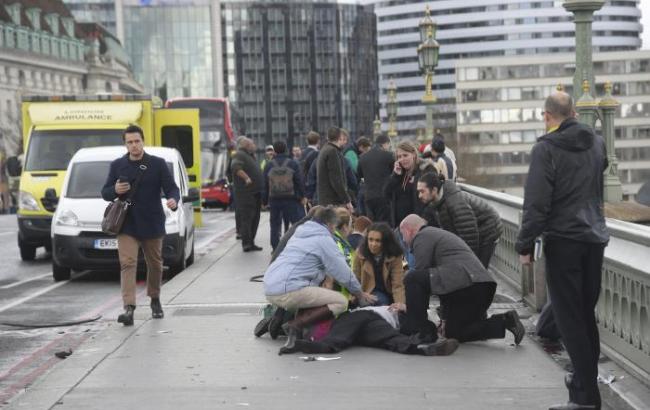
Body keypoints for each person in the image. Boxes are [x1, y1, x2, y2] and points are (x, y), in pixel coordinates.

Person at [516, 92, 609, 410]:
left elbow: (537, 203)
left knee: (569, 320)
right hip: (594, 238)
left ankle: (585, 398)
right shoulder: (597, 142)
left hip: (564, 240)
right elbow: (602, 170)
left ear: (547, 116)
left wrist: (525, 244)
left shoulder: (546, 148)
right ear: (572, 111)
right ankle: (582, 383)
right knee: (585, 316)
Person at [399, 215, 525, 346]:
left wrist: (409, 307)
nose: (404, 240)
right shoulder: (439, 236)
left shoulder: (422, 236)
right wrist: (445, 319)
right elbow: (443, 283)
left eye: (403, 235)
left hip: (468, 286)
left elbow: (421, 275)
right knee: (454, 332)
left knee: (412, 278)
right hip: (480, 287)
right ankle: (505, 321)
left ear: (408, 230)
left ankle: (418, 331)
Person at [263, 207, 376, 353]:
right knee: (340, 302)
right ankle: (294, 325)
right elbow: (343, 272)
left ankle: (294, 335)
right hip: (288, 289)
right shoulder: (323, 239)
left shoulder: (301, 233)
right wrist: (359, 294)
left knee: (313, 294)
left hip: (270, 286)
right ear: (330, 224)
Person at [101, 125, 180, 326]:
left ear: (143, 141)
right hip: (127, 224)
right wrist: (115, 189)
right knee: (127, 263)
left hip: (152, 221)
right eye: (130, 142)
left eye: (137, 141)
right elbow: (105, 192)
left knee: (155, 264)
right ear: (125, 144)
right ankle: (129, 308)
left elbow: (171, 187)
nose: (134, 145)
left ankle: (154, 298)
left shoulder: (157, 164)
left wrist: (173, 199)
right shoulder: (118, 165)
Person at [278, 304, 459, 356]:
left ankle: (423, 349)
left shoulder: (431, 322)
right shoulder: (427, 314)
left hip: (376, 323)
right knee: (340, 337)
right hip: (363, 315)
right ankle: (309, 345)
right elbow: (416, 316)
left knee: (389, 339)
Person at [417, 172, 503, 269]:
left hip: (489, 229)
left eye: (422, 191)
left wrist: (466, 261)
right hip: (478, 229)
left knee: (478, 270)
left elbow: (470, 236)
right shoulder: (436, 203)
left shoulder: (455, 203)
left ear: (434, 190)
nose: (419, 195)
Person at [263, 140, 306, 251]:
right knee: (295, 223)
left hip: (274, 199)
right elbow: (299, 181)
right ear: (286, 149)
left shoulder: (269, 165)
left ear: (275, 151)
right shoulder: (293, 163)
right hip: (290, 198)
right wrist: (302, 196)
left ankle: (275, 248)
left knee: (275, 224)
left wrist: (264, 201)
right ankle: (297, 246)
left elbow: (265, 184)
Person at [384, 140, 436, 227]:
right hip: (400, 225)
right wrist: (395, 176)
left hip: (420, 224)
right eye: (399, 157)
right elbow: (386, 193)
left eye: (405, 155)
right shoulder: (400, 173)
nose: (402, 159)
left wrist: (423, 220)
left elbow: (432, 198)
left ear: (414, 155)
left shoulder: (426, 170)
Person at [353, 222, 405, 306]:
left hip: (389, 292)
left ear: (386, 242)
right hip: (367, 292)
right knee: (376, 301)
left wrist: (399, 303)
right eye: (370, 240)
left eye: (378, 241)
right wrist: (360, 295)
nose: (373, 244)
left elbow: (397, 283)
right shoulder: (360, 254)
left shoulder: (394, 256)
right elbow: (355, 279)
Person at [230, 136, 264, 252]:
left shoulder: (249, 156)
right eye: (252, 144)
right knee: (248, 218)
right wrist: (247, 178)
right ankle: (246, 244)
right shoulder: (239, 154)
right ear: (247, 145)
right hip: (246, 193)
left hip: (255, 192)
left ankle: (251, 242)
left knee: (255, 218)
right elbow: (235, 167)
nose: (255, 146)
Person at [358, 134, 394, 223]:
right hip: (384, 196)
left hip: (369, 197)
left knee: (372, 224)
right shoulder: (389, 155)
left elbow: (359, 174)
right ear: (386, 143)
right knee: (385, 224)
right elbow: (394, 173)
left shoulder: (362, 157)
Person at [316, 127, 353, 211]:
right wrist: (347, 200)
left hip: (325, 200)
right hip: (333, 201)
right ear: (339, 137)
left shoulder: (325, 149)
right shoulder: (332, 151)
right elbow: (336, 179)